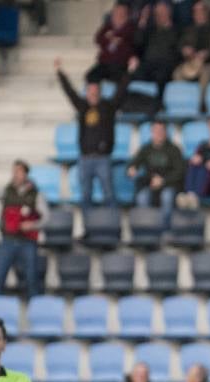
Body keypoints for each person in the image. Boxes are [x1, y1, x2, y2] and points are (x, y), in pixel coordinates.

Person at [57, 56, 136, 209]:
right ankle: (88, 228)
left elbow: (121, 90)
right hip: (85, 158)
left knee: (109, 194)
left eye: (95, 91)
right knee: (85, 196)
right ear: (86, 93)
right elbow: (69, 92)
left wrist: (130, 71)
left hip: (103, 158)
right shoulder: (82, 107)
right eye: (89, 92)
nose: (92, 94)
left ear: (99, 92)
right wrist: (60, 73)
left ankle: (113, 228)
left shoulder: (109, 106)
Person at [0, 161, 42, 297]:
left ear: (25, 174)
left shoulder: (36, 194)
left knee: (31, 277)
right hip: (8, 240)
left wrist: (32, 225)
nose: (15, 174)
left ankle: (35, 309)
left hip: (27, 241)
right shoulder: (6, 190)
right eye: (13, 171)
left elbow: (46, 218)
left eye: (18, 171)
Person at [128, 120, 185, 226]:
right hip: (150, 185)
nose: (159, 133)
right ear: (152, 132)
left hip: (169, 185)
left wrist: (163, 181)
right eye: (156, 131)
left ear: (166, 132)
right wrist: (132, 168)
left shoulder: (174, 149)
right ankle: (147, 228)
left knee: (167, 197)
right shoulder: (146, 149)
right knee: (142, 197)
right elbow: (134, 163)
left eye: (162, 130)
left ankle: (165, 229)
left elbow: (180, 172)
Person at [174, 0, 210, 85]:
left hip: (209, 64)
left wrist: (207, 53)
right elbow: (180, 44)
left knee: (204, 77)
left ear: (206, 12)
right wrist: (185, 50)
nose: (198, 14)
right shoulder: (189, 29)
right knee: (177, 74)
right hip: (191, 63)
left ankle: (202, 99)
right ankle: (185, 98)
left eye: (201, 11)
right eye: (196, 12)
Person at [88, 2, 138, 84]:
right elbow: (98, 39)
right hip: (104, 63)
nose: (118, 15)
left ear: (126, 14)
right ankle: (95, 95)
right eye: (116, 12)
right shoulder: (107, 27)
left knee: (119, 79)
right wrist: (109, 39)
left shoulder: (131, 28)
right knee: (91, 76)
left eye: (122, 12)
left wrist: (114, 38)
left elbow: (129, 44)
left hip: (120, 64)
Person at [133, 1, 181, 86]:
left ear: (168, 12)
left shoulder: (176, 31)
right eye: (157, 13)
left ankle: (157, 99)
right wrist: (143, 21)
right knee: (131, 74)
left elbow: (178, 50)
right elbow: (138, 43)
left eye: (162, 12)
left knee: (160, 76)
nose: (159, 16)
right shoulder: (151, 31)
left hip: (165, 65)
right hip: (148, 65)